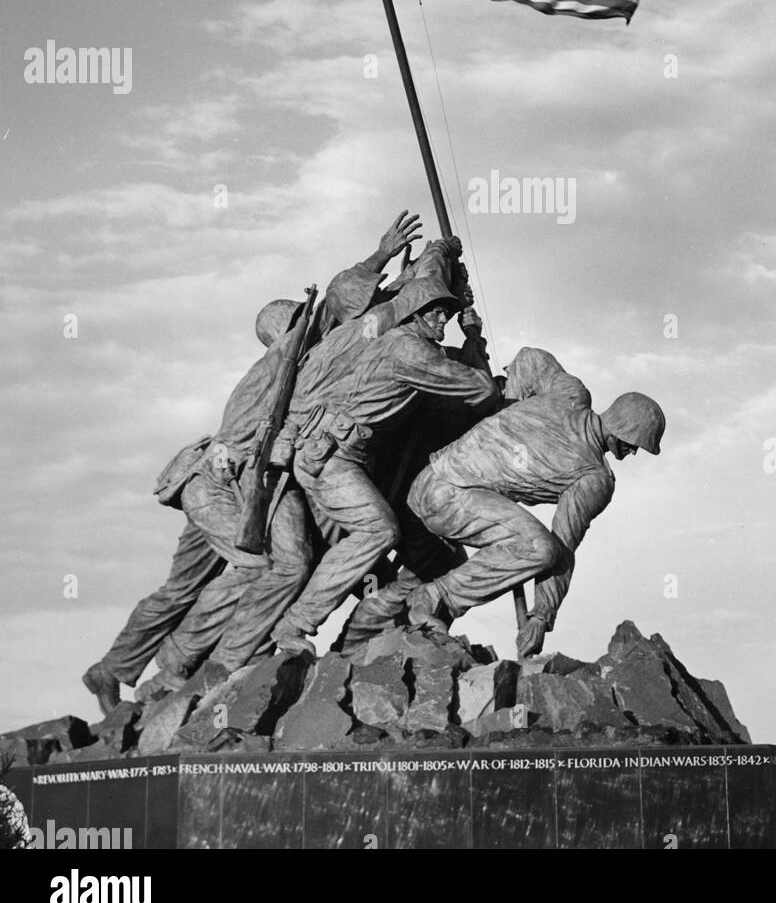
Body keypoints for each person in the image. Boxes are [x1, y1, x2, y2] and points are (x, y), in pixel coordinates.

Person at [80, 211, 425, 713]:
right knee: (271, 564)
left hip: (236, 486)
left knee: (185, 586)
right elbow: (334, 305)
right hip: (219, 483)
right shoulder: (282, 362)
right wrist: (379, 256)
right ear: (289, 330)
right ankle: (183, 665)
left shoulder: (309, 369)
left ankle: (112, 670)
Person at [269, 276, 501, 655]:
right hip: (330, 456)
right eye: (437, 313)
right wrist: (472, 340)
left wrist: (470, 338)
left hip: (346, 455)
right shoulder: (410, 351)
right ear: (415, 314)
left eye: (448, 313)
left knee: (427, 558)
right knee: (378, 531)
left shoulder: (404, 344)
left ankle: (367, 643)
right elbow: (481, 390)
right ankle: (293, 626)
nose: (444, 321)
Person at [403, 384, 665, 657]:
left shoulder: (570, 393)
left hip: (426, 479)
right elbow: (562, 547)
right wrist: (542, 616)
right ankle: (435, 597)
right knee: (540, 548)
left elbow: (529, 359)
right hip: (448, 501)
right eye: (636, 444)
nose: (634, 452)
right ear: (622, 429)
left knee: (422, 579)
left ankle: (421, 627)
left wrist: (510, 405)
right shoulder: (595, 478)